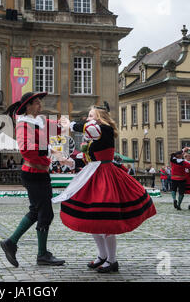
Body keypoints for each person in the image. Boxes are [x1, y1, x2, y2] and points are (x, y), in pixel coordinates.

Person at [54, 102, 156, 273]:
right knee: (93, 219)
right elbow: (87, 158)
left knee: (106, 219)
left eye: (91, 115)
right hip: (93, 174)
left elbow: (90, 128)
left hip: (105, 176)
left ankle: (112, 260)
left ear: (100, 118)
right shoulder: (94, 134)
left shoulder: (105, 129)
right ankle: (102, 256)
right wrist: (67, 160)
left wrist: (69, 124)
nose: (88, 118)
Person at [0, 92, 66, 267]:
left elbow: (58, 127)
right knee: (45, 213)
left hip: (40, 174)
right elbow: (26, 149)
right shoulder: (23, 125)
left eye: (40, 103)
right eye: (36, 103)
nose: (40, 106)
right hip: (33, 174)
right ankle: (41, 254)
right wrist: (51, 151)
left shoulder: (41, 121)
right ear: (28, 107)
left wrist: (78, 125)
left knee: (36, 212)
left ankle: (11, 243)